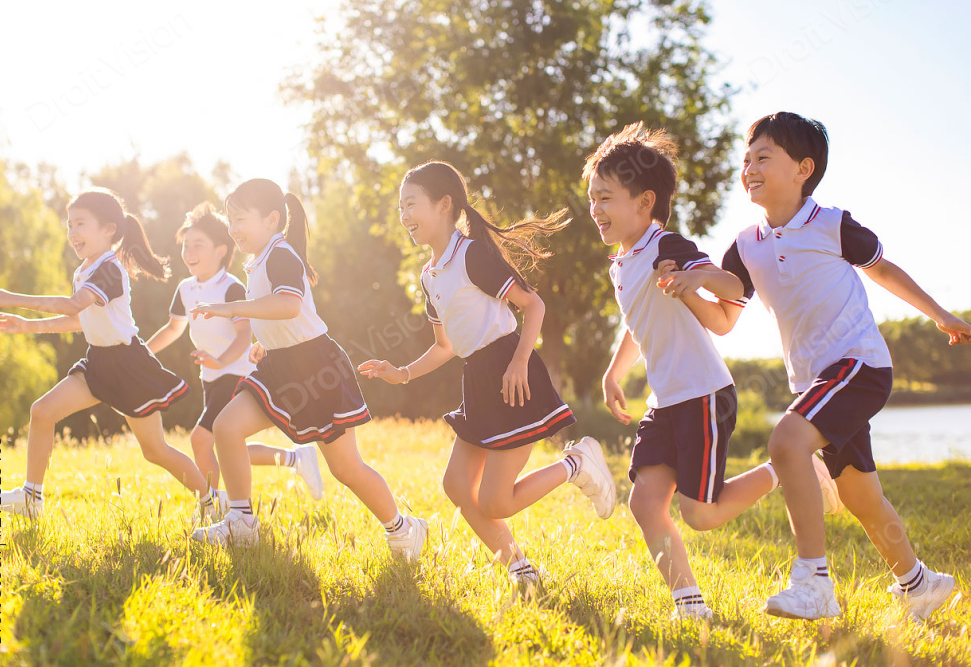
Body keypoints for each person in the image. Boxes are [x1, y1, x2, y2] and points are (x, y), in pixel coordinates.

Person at [662, 112, 971, 621]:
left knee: (786, 442)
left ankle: (813, 581)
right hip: (814, 384)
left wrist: (941, 315)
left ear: (803, 168)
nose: (749, 168)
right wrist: (689, 285)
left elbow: (885, 271)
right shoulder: (745, 244)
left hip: (858, 366)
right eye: (746, 160)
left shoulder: (831, 224)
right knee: (858, 494)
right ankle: (920, 583)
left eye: (763, 157)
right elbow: (725, 315)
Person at [586, 122, 838, 619]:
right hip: (665, 401)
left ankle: (789, 470)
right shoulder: (623, 262)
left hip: (703, 394)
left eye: (606, 198)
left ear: (643, 203)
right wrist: (614, 373)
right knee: (644, 503)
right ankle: (689, 603)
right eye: (592, 198)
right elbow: (639, 323)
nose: (595, 209)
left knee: (699, 513)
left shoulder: (665, 245)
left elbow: (728, 286)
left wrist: (692, 277)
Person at [359, 161, 615, 585]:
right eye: (399, 207)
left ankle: (577, 462)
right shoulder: (429, 275)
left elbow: (534, 306)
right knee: (458, 486)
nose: (403, 216)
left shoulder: (472, 255)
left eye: (410, 204)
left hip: (511, 373)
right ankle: (522, 571)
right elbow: (446, 347)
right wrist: (400, 372)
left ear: (444, 205)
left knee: (496, 501)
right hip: (477, 378)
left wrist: (518, 361)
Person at [190, 179, 427, 558]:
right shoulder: (259, 259)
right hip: (280, 365)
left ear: (271, 219)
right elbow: (278, 316)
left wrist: (231, 308)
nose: (233, 228)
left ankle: (403, 529)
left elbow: (288, 305)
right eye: (229, 219)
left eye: (240, 218)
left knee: (346, 469)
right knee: (225, 427)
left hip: (317, 369)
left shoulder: (281, 253)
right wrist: (263, 343)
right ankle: (241, 521)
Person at [0, 188, 214, 520]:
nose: (72, 233)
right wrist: (26, 326)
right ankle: (31, 498)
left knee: (155, 451)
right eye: (69, 225)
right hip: (99, 363)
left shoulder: (110, 269)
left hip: (128, 367)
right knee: (42, 412)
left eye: (80, 224)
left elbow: (73, 305)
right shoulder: (85, 270)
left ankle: (211, 501)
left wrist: (8, 297)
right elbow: (79, 319)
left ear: (109, 230)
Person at [145, 202, 323, 520]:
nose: (189, 251)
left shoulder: (231, 288)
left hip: (236, 371)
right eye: (186, 245)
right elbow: (173, 328)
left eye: (198, 244)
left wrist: (220, 359)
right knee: (224, 444)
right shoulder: (185, 289)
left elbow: (244, 335)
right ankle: (293, 460)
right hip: (211, 377)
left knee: (202, 439)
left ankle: (217, 505)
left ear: (221, 250)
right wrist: (143, 353)